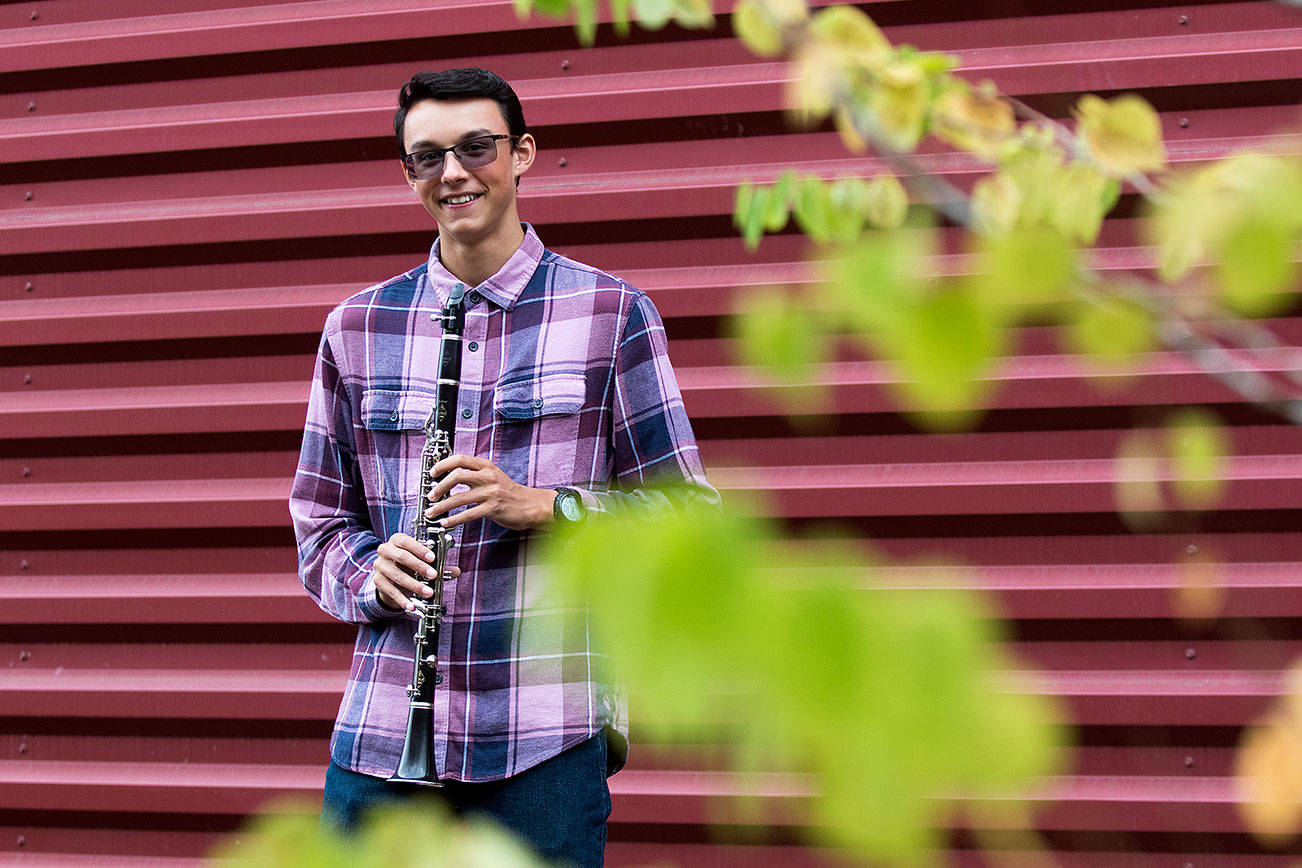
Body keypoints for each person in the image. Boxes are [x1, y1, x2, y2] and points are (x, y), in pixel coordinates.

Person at [289, 67, 717, 865]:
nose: (453, 172)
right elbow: (318, 525)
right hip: (386, 732)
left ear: (521, 154)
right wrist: (370, 572)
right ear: (409, 175)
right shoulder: (357, 326)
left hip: (542, 736)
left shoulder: (611, 314)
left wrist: (546, 508)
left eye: (475, 147)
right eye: (427, 157)